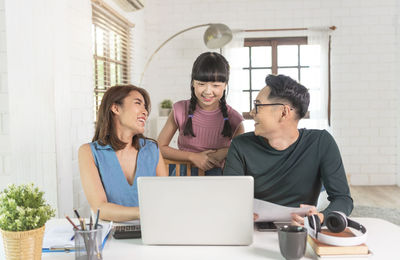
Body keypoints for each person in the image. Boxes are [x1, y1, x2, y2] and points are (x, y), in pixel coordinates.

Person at [223, 74, 353, 225]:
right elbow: (230, 198)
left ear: (284, 112)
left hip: (300, 231)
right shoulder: (240, 145)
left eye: (257, 106)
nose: (252, 113)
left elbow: (343, 199)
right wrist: (237, 211)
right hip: (251, 231)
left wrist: (319, 218)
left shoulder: (321, 142)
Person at [79, 85, 167, 222]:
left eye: (145, 107)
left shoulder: (152, 149)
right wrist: (143, 212)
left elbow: (164, 198)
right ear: (115, 108)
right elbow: (99, 208)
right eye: (138, 103)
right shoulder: (89, 152)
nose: (145, 112)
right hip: (111, 233)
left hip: (151, 227)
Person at [158, 52, 244, 176]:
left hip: (218, 179)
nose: (208, 91)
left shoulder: (234, 119)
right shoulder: (180, 109)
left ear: (225, 85)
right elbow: (160, 147)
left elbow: (242, 152)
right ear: (193, 83)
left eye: (215, 85)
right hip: (183, 175)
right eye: (201, 84)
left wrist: (224, 152)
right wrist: (193, 157)